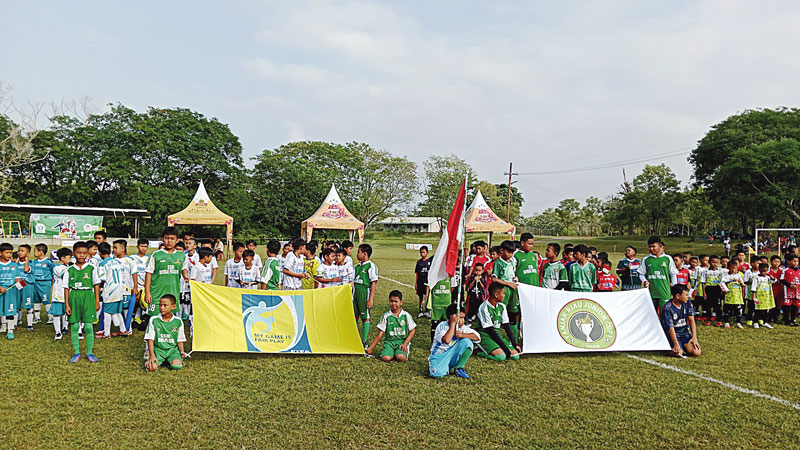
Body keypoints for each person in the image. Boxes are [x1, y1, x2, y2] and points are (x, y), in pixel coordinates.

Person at [64, 241, 101, 363]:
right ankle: (76, 352)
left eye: (84, 253)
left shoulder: (91, 268)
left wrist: (97, 301)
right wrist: (67, 304)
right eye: (79, 253)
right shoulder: (69, 270)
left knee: (89, 326)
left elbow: (96, 285)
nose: (81, 255)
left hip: (88, 296)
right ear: (74, 253)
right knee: (75, 326)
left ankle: (89, 352)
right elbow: (66, 288)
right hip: (74, 296)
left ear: (87, 254)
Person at [144, 227, 190, 319]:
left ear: (177, 240)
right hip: (156, 294)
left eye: (172, 238)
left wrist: (186, 276)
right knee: (154, 319)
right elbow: (148, 273)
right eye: (166, 238)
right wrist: (147, 292)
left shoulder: (181, 256)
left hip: (173, 293)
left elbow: (184, 269)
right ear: (162, 239)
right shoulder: (156, 255)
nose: (169, 241)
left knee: (170, 319)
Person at [96, 240, 136, 338]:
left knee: (107, 312)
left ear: (100, 253)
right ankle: (123, 330)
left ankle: (106, 333)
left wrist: (99, 288)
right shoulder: (116, 262)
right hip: (120, 289)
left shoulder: (103, 264)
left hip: (110, 290)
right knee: (117, 311)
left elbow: (102, 279)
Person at [429, 303, 480, 378]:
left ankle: (459, 368)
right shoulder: (442, 326)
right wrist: (453, 323)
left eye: (463, 318)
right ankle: (444, 367)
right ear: (451, 317)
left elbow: (478, 337)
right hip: (440, 356)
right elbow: (447, 340)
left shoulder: (462, 327)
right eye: (460, 318)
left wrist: (462, 335)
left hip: (452, 355)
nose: (463, 321)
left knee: (467, 342)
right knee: (437, 375)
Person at [366, 290, 416, 362]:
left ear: (401, 302)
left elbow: (412, 330)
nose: (393, 303)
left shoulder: (406, 315)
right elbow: (380, 333)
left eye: (396, 301)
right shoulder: (386, 316)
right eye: (391, 301)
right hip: (389, 342)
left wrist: (405, 343)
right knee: (386, 358)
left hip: (401, 341)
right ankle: (390, 351)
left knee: (401, 358)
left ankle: (398, 352)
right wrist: (371, 347)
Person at [476, 282, 520, 361]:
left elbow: (507, 326)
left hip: (497, 334)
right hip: (485, 335)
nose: (504, 295)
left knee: (515, 356)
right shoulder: (484, 308)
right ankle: (479, 352)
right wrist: (505, 349)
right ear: (496, 295)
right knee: (501, 357)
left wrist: (514, 344)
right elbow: (490, 331)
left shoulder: (502, 306)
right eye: (503, 293)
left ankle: (498, 349)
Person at [144, 294, 188, 372]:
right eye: (160, 305)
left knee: (177, 365)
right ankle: (157, 360)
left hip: (172, 350)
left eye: (165, 305)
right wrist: (152, 355)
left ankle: (170, 360)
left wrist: (182, 352)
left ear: (173, 307)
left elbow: (180, 339)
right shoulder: (154, 320)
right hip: (158, 350)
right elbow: (150, 339)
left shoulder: (178, 321)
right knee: (152, 368)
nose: (162, 308)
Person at [639, 236, 678, 315]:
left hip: (664, 292)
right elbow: (641, 274)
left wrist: (674, 290)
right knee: (651, 314)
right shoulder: (646, 259)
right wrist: (645, 280)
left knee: (664, 313)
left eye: (653, 246)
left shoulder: (667, 258)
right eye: (649, 247)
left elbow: (673, 275)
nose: (651, 249)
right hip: (651, 292)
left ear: (660, 246)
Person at [661, 284, 701, 357]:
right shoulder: (668, 308)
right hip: (673, 334)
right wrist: (676, 344)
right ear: (678, 296)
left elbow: (691, 320)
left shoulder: (687, 302)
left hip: (684, 333)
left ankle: (683, 346)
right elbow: (670, 328)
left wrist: (694, 337)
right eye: (686, 295)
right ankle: (668, 349)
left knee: (697, 352)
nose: (688, 297)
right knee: (679, 353)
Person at [491, 240, 518, 336]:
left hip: (513, 289)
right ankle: (496, 331)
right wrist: (508, 283)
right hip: (504, 290)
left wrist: (515, 278)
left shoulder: (512, 262)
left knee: (513, 311)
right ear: (502, 251)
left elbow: (512, 274)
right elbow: (494, 279)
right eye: (508, 252)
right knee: (501, 310)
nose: (510, 255)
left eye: (512, 252)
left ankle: (514, 337)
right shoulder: (498, 263)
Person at [353, 244, 378, 347]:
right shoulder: (357, 266)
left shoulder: (371, 266)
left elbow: (373, 283)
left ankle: (363, 341)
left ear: (365, 254)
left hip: (364, 292)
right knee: (354, 316)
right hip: (355, 293)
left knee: (365, 317)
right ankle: (354, 338)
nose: (357, 254)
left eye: (358, 252)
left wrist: (370, 299)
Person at [50, 247, 72, 339]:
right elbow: (66, 276)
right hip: (58, 295)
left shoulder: (67, 267)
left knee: (66, 312)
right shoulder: (57, 267)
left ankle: (65, 327)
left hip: (67, 294)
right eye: (69, 257)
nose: (71, 260)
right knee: (57, 313)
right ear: (62, 258)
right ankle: (58, 331)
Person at [0, 242, 20, 339]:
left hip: (10, 291)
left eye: (11, 253)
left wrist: (19, 284)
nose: (9, 255)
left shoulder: (14, 265)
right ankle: (2, 326)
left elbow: (17, 279)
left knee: (10, 310)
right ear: (0, 253)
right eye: (7, 253)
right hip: (1, 290)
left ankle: (10, 330)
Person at [32, 243, 55, 324]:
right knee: (36, 300)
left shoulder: (49, 262)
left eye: (35, 251)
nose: (33, 253)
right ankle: (37, 318)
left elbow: (53, 272)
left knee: (45, 299)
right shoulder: (34, 262)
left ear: (40, 252)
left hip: (45, 283)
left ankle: (51, 317)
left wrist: (52, 281)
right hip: (35, 283)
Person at [750, 262, 777, 329]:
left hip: (767, 296)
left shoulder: (768, 278)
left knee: (766, 310)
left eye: (765, 271)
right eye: (762, 271)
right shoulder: (756, 278)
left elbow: (774, 281)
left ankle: (764, 322)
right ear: (759, 270)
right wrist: (753, 296)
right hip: (759, 296)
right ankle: (755, 322)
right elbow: (753, 288)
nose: (763, 273)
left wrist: (770, 276)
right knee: (758, 310)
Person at [427, 275, 454, 341]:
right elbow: (429, 286)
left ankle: (445, 340)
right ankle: (434, 341)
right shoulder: (434, 274)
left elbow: (452, 287)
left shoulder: (450, 275)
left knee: (446, 323)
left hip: (447, 303)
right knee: (435, 323)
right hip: (436, 303)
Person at [131, 238, 150, 328]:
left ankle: (140, 319)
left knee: (143, 303)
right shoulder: (132, 258)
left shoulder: (149, 259)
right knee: (134, 302)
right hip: (134, 285)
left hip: (144, 285)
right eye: (141, 246)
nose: (143, 248)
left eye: (145, 246)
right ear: (137, 246)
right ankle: (131, 318)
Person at [719, 260, 745, 329]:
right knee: (727, 309)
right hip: (729, 295)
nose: (733, 270)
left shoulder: (739, 276)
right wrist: (730, 281)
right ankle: (726, 322)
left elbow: (743, 285)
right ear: (728, 268)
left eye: (734, 268)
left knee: (738, 309)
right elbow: (722, 284)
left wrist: (739, 282)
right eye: (731, 268)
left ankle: (739, 322)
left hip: (737, 296)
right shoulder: (726, 276)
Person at [701, 256, 725, 326]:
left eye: (716, 262)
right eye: (713, 262)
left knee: (718, 306)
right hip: (709, 288)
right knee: (708, 306)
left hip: (717, 289)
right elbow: (703, 282)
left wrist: (722, 290)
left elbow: (722, 282)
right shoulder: (705, 271)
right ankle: (708, 319)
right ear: (709, 262)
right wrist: (704, 292)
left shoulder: (720, 271)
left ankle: (718, 320)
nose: (714, 264)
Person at [16, 244, 34, 330]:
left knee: (28, 304)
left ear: (28, 253)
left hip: (27, 285)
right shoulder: (15, 263)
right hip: (17, 285)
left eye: (22, 251)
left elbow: (26, 269)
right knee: (16, 305)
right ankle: (16, 322)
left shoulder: (32, 263)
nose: (19, 253)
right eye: (18, 251)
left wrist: (26, 260)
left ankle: (29, 324)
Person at [779, 253, 800, 326]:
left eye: (797, 261)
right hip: (788, 292)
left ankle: (793, 319)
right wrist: (789, 285)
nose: (796, 263)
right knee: (787, 306)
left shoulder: (799, 271)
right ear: (789, 261)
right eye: (794, 261)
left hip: (797, 292)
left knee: (795, 306)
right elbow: (782, 279)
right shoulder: (786, 270)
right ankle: (786, 320)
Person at [414, 246, 431, 318]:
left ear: (427, 252)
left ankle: (427, 310)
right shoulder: (419, 262)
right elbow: (417, 273)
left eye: (423, 252)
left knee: (427, 296)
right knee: (420, 296)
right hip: (420, 282)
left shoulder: (429, 261)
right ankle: (420, 310)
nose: (422, 254)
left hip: (427, 282)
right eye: (421, 252)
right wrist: (416, 283)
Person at [768, 255, 784, 324]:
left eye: (778, 262)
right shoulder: (768, 270)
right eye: (775, 261)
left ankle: (776, 317)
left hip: (779, 289)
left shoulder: (782, 271)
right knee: (771, 303)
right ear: (771, 262)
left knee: (778, 304)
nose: (776, 263)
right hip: (770, 289)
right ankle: (770, 317)